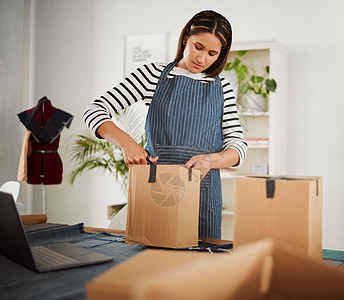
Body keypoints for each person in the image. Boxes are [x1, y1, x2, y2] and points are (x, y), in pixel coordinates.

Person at [83, 10, 247, 239]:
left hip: (204, 199)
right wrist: (127, 143)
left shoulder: (223, 88)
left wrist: (211, 160)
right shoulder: (152, 75)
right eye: (198, 47)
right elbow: (94, 111)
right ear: (185, 39)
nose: (202, 59)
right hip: (155, 192)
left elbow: (238, 147)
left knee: (200, 270)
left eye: (212, 54)